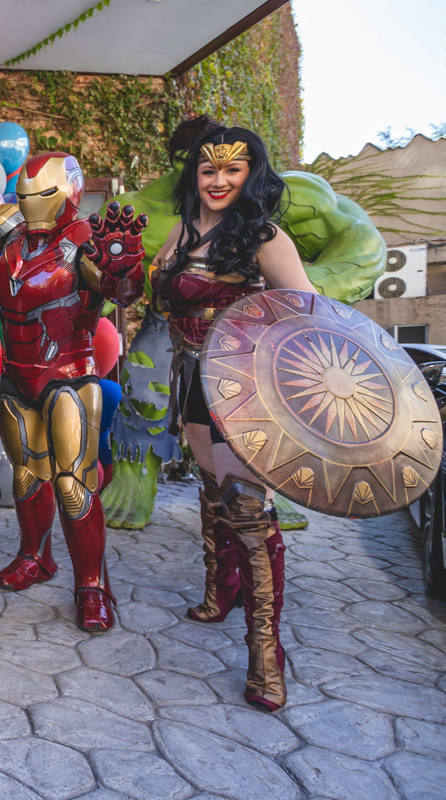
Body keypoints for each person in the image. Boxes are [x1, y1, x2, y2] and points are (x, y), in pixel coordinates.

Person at [152, 126, 316, 712]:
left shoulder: (264, 237)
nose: (218, 180)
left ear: (252, 174)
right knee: (212, 488)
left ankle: (265, 655)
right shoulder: (183, 232)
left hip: (243, 389)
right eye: (208, 170)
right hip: (192, 381)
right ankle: (220, 590)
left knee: (248, 509)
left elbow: (308, 315)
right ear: (193, 176)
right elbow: (153, 296)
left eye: (232, 169)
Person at [0, 150, 146, 632]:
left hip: (69, 375)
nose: (29, 204)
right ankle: (35, 557)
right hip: (18, 377)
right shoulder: (14, 237)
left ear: (65, 193)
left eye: (39, 195)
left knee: (74, 487)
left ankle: (92, 586)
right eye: (24, 196)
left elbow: (119, 290)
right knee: (26, 477)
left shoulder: (85, 243)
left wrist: (125, 267)